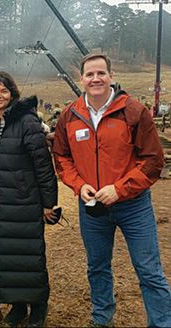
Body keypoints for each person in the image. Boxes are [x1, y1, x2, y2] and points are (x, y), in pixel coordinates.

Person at [52, 53, 171, 327]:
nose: (95, 79)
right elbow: (62, 157)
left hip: (133, 206)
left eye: (101, 73)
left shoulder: (133, 111)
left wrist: (120, 189)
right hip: (92, 207)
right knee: (97, 268)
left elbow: (153, 160)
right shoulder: (69, 116)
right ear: (81, 78)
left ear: (111, 76)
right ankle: (101, 318)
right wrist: (79, 186)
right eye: (90, 74)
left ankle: (162, 322)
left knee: (149, 270)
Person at [0, 71, 58, 328]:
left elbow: (43, 164)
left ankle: (38, 306)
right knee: (7, 257)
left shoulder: (26, 121)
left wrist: (49, 203)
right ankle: (17, 306)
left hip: (25, 202)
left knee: (30, 255)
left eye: (4, 91)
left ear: (12, 93)